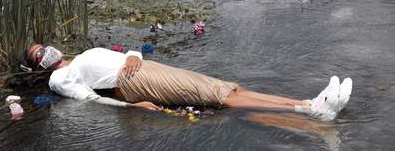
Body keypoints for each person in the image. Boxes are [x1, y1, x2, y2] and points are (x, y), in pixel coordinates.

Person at [21, 44, 352, 121]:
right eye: (39, 55)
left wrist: (135, 52)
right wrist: (130, 105)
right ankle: (308, 111)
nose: (46, 52)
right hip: (134, 83)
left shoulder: (77, 54)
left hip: (141, 67)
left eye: (43, 46)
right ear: (39, 65)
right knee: (216, 94)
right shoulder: (58, 78)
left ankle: (310, 103)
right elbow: (87, 98)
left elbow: (117, 52)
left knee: (228, 87)